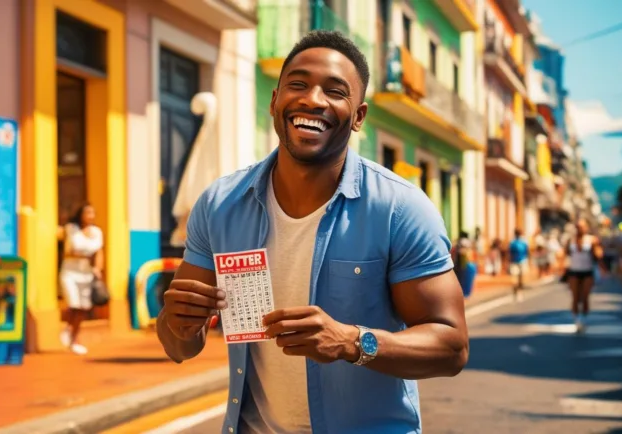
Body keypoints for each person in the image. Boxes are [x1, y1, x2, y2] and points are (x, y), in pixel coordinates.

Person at [156, 30, 469, 434]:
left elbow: (451, 347)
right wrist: (177, 323)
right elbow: (181, 346)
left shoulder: (400, 208)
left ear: (358, 117)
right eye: (298, 84)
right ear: (274, 101)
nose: (313, 100)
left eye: (335, 91)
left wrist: (352, 342)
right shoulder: (220, 204)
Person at [58, 203, 104, 355]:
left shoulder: (97, 232)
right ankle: (68, 329)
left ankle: (74, 338)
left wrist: (98, 268)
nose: (90, 216)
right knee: (73, 303)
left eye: (92, 213)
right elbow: (67, 251)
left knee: (83, 307)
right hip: (70, 272)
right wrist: (84, 255)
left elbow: (99, 252)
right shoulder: (71, 229)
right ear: (81, 214)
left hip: (86, 274)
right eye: (87, 212)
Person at [564, 218, 603, 333]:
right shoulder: (570, 240)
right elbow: (565, 254)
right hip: (574, 271)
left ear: (586, 227)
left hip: (587, 271)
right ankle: (577, 320)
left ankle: (584, 319)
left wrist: (596, 247)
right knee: (575, 297)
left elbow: (599, 255)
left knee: (585, 297)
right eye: (578, 226)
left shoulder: (591, 240)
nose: (579, 229)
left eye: (582, 226)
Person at [508, 229, 529, 300]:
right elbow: (527, 252)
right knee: (519, 277)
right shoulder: (522, 242)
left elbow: (509, 253)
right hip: (521, 261)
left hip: (516, 261)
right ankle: (518, 291)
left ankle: (517, 290)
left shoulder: (513, 242)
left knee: (516, 277)